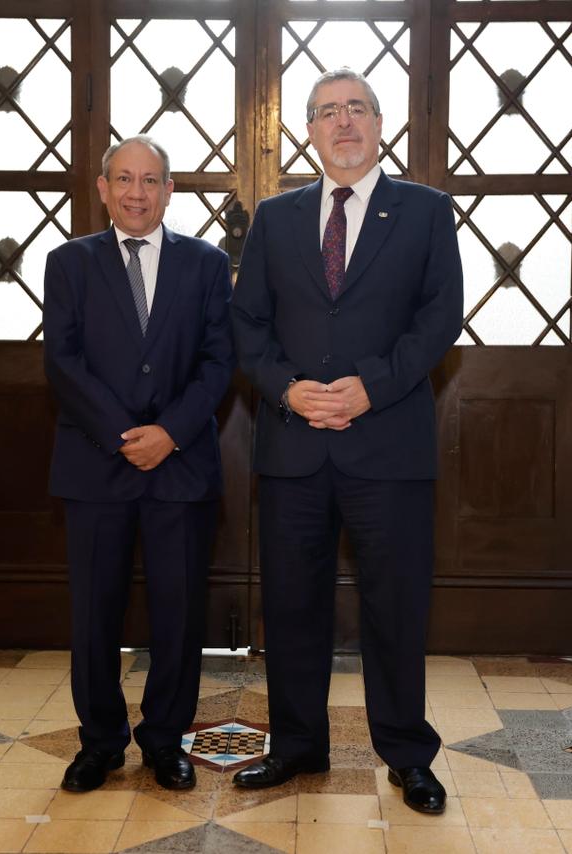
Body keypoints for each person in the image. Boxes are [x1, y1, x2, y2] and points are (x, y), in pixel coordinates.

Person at [230, 69, 464, 814]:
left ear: (379, 122)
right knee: (292, 604)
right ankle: (296, 745)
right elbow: (247, 324)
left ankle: (408, 756)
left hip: (388, 444)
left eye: (356, 108)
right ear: (309, 130)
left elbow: (440, 317)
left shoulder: (426, 211)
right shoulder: (276, 217)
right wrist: (287, 388)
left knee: (394, 606)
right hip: (294, 443)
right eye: (327, 111)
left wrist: (372, 385)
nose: (343, 122)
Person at [44, 135, 235, 793]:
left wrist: (170, 433)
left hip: (180, 468)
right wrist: (124, 434)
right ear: (102, 188)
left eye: (150, 180)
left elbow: (218, 362)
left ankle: (164, 742)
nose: (136, 192)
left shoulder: (207, 264)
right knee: (94, 612)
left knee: (178, 613)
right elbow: (62, 361)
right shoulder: (68, 263)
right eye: (123, 179)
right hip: (96, 464)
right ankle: (100, 743)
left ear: (169, 191)